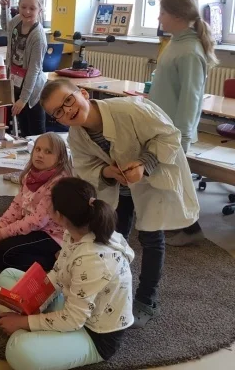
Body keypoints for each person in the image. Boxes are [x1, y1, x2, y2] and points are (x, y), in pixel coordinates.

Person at [40, 79, 200, 328]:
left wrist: (144, 164)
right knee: (112, 236)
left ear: (83, 94)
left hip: (151, 180)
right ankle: (111, 289)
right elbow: (85, 167)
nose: (67, 110)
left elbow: (169, 136)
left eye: (68, 100)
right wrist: (106, 172)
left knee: (151, 237)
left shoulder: (131, 109)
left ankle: (146, 300)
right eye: (58, 112)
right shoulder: (77, 136)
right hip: (120, 188)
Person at [0, 177, 134, 370]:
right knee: (8, 275)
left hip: (95, 334)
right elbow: (58, 274)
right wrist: (34, 302)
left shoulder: (93, 259)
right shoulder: (74, 232)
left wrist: (24, 322)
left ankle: (34, 331)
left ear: (59, 216)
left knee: (18, 350)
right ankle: (39, 327)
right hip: (74, 304)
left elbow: (74, 319)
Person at [149, 0, 218, 247]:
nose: (159, 17)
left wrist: (183, 137)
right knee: (165, 178)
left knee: (175, 179)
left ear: (178, 16)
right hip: (161, 124)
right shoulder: (176, 42)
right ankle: (175, 222)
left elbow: (191, 98)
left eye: (163, 13)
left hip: (174, 130)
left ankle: (191, 228)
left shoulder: (190, 51)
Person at [0, 132, 71, 271]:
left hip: (51, 234)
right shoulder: (31, 175)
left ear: (60, 158)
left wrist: (4, 233)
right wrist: (0, 225)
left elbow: (38, 221)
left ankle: (55, 259)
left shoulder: (58, 184)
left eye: (48, 152)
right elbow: (17, 205)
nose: (40, 155)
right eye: (38, 149)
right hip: (29, 224)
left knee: (0, 255)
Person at [0, 0, 48, 137]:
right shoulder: (17, 21)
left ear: (40, 10)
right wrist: (4, 8)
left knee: (36, 134)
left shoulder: (38, 37)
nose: (27, 11)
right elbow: (6, 27)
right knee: (24, 132)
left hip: (32, 92)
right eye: (23, 7)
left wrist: (23, 99)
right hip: (16, 84)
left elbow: (34, 70)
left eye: (32, 8)